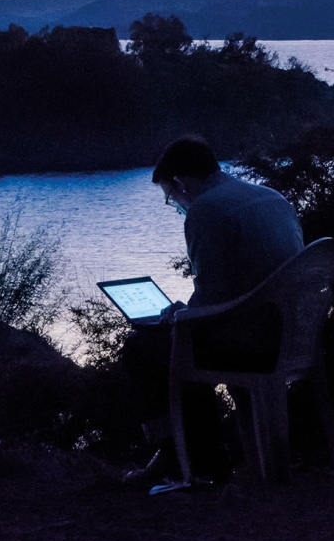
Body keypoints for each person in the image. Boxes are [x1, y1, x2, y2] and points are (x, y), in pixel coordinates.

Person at [121, 135, 304, 485]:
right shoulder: (272, 198)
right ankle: (207, 456)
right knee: (181, 339)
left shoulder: (206, 210)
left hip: (252, 345)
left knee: (142, 348)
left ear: (179, 183)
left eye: (170, 198)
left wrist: (179, 316)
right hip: (294, 336)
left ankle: (183, 456)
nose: (176, 206)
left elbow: (211, 298)